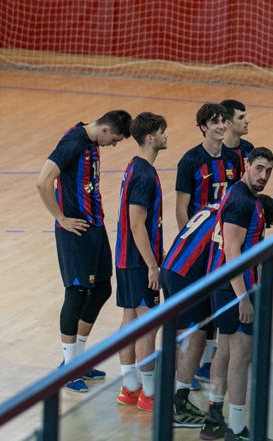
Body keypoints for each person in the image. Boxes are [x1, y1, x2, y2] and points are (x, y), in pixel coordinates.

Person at [36, 110, 132, 393]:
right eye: (113, 140)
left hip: (94, 226)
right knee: (76, 293)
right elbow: (42, 182)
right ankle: (69, 366)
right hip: (74, 231)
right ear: (104, 129)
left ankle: (76, 360)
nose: (112, 145)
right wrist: (61, 218)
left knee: (102, 288)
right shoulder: (74, 142)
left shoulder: (92, 141)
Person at [161, 194, 273, 428]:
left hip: (174, 266)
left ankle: (175, 395)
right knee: (196, 337)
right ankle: (177, 405)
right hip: (189, 273)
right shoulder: (240, 217)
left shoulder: (220, 205)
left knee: (188, 336)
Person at [200, 147, 273, 441]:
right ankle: (237, 428)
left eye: (268, 171)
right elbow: (232, 251)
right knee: (240, 355)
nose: (263, 176)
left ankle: (214, 420)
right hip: (235, 287)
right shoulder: (242, 201)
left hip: (227, 285)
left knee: (226, 350)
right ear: (247, 165)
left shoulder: (243, 195)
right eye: (258, 168)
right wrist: (243, 296)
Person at [176, 103, 242, 387]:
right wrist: (190, 244)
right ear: (203, 126)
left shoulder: (233, 160)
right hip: (197, 248)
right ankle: (179, 372)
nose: (220, 126)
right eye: (213, 122)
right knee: (190, 312)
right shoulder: (190, 161)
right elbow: (181, 207)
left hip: (221, 245)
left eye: (222, 121)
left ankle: (202, 367)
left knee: (214, 307)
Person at [114, 112, 167, 410]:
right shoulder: (144, 174)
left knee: (130, 320)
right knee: (147, 325)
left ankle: (129, 386)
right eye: (162, 132)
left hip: (126, 259)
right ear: (151, 137)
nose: (166, 136)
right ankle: (149, 393)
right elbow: (137, 224)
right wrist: (152, 265)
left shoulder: (135, 167)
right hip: (138, 262)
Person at [221, 99, 254, 176]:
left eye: (246, 116)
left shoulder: (248, 148)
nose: (247, 121)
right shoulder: (215, 152)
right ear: (227, 122)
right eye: (241, 117)